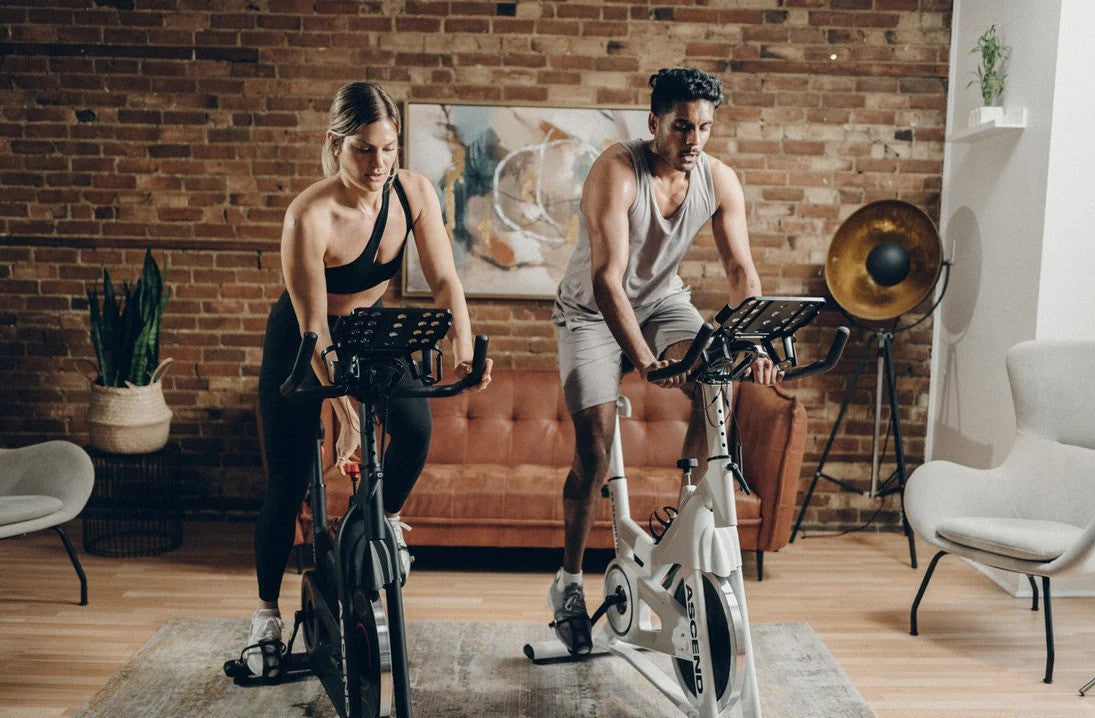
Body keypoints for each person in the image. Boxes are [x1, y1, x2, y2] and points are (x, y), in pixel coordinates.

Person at [247, 81, 492, 676]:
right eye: (363, 150)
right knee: (287, 482)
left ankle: (370, 526)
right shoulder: (310, 215)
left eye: (388, 148)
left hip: (372, 328)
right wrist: (346, 411)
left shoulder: (412, 192)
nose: (379, 163)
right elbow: (315, 329)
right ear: (335, 145)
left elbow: (444, 279)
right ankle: (264, 616)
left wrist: (464, 343)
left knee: (414, 429)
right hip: (302, 340)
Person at [548, 67, 780, 654]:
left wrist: (752, 341)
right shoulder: (617, 171)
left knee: (715, 376)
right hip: (590, 312)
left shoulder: (719, 180)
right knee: (594, 448)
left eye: (704, 127)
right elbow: (606, 278)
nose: (694, 140)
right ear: (654, 124)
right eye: (681, 126)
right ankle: (570, 583)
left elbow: (739, 273)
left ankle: (682, 530)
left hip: (662, 301)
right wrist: (646, 361)